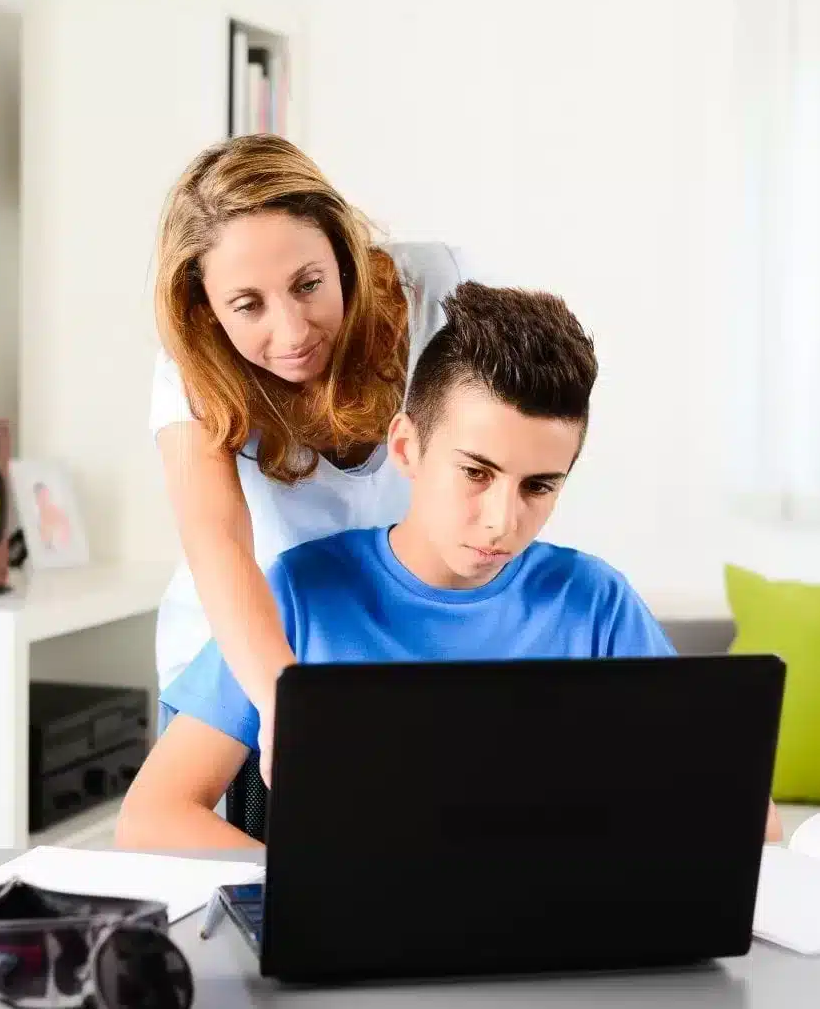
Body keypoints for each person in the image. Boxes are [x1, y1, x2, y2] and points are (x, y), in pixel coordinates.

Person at [119, 282, 786, 850]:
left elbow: (753, 820)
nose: (503, 521)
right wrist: (305, 885)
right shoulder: (303, 594)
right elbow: (151, 818)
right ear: (406, 447)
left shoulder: (593, 602)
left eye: (539, 486)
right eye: (476, 472)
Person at [149, 134, 481, 782]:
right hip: (241, 655)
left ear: (343, 253)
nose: (293, 332)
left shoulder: (436, 290)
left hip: (381, 643)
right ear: (206, 310)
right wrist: (284, 707)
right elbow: (216, 539)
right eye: (248, 306)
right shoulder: (190, 366)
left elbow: (488, 471)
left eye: (308, 285)